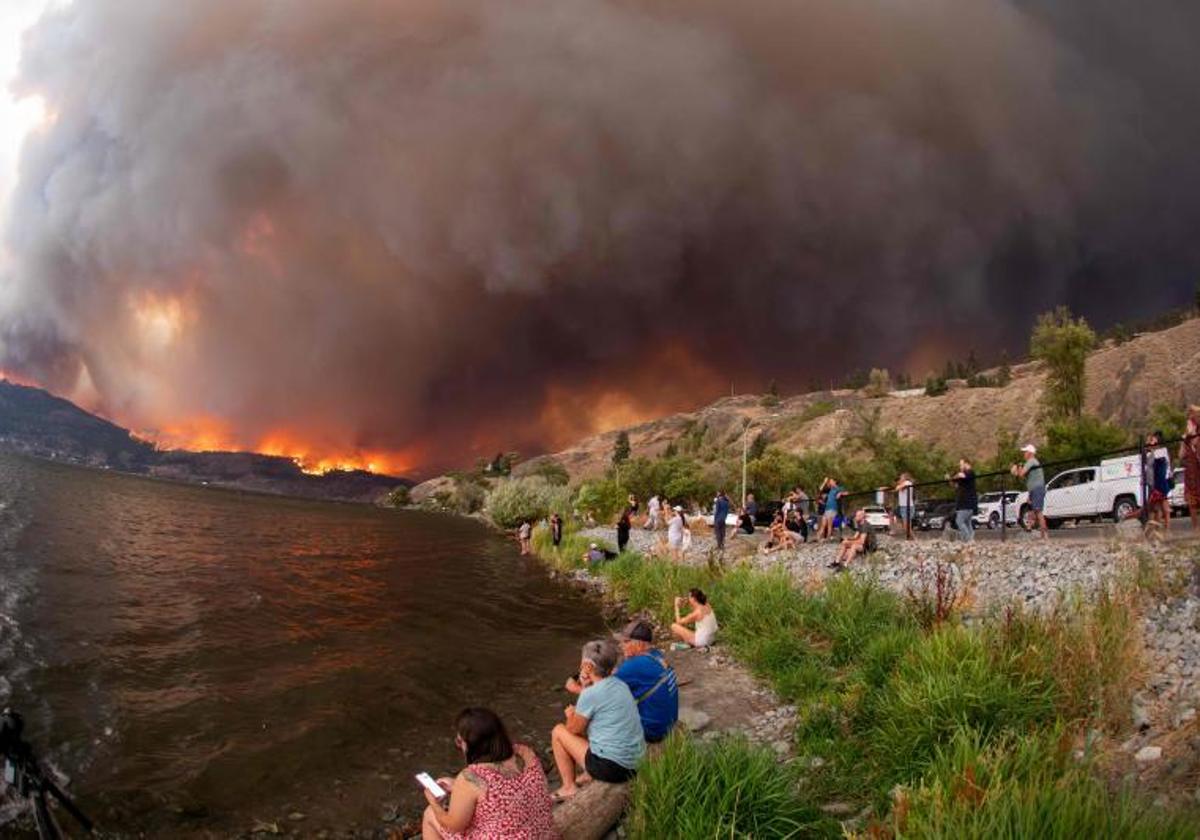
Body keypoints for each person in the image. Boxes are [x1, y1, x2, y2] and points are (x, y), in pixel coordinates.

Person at [421, 707, 558, 840]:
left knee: (430, 814)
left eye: (459, 742)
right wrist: (457, 787)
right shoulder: (525, 753)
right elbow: (506, 792)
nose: (460, 747)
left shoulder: (471, 777)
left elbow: (454, 826)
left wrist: (434, 803)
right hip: (544, 834)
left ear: (471, 743)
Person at [551, 639, 644, 800]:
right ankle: (588, 773)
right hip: (635, 762)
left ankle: (568, 787)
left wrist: (571, 715)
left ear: (588, 666)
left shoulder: (590, 695)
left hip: (615, 768)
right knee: (595, 726)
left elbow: (573, 729)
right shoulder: (619, 684)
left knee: (558, 731)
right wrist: (586, 686)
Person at [568, 620, 678, 743]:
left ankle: (594, 752)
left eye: (626, 642)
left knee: (592, 716)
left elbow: (601, 691)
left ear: (640, 644)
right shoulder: (655, 655)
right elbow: (615, 674)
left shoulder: (635, 665)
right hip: (668, 723)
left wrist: (577, 689)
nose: (621, 645)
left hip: (652, 731)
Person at [1012, 444, 1047, 538]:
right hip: (1034, 489)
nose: (1024, 454)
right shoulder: (1032, 462)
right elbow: (1023, 475)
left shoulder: (1031, 461)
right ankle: (1029, 527)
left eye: (1025, 452)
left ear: (1030, 453)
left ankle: (1045, 536)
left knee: (1038, 511)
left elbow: (1021, 473)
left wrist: (1016, 469)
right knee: (1032, 508)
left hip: (1037, 489)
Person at [1145, 431, 1172, 530]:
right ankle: (1156, 528)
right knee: (1155, 508)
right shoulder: (1149, 454)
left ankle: (1166, 529)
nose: (1151, 442)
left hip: (1161, 482)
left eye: (1153, 439)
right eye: (1151, 440)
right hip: (1154, 483)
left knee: (1163, 506)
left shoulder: (1161, 452)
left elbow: (1166, 466)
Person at [1180, 408, 1200, 530]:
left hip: (1198, 473)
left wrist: (1194, 442)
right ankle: (1196, 530)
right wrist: (1184, 442)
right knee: (1192, 505)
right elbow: (1181, 456)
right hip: (1190, 474)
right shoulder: (1186, 440)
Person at [949, 458, 977, 543]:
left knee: (959, 521)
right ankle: (971, 540)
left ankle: (968, 540)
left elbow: (961, 475)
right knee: (968, 523)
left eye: (961, 464)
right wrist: (951, 480)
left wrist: (955, 476)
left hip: (967, 503)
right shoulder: (963, 477)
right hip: (962, 503)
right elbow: (955, 484)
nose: (960, 466)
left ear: (966, 463)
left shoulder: (970, 472)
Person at [893, 472, 915, 541]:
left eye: (901, 477)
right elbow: (897, 488)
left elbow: (897, 488)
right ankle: (910, 539)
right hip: (902, 506)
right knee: (905, 526)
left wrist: (898, 485)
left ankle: (914, 539)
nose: (900, 478)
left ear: (905, 477)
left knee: (907, 526)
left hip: (907, 506)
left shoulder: (907, 483)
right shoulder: (902, 484)